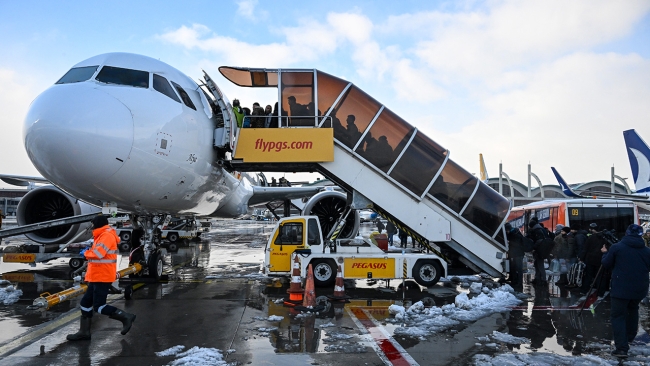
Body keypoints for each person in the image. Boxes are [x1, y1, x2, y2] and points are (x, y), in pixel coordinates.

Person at [67, 215, 136, 341]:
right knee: (85, 303)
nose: (92, 226)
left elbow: (98, 254)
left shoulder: (106, 236)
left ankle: (126, 317)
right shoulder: (101, 235)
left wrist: (86, 253)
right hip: (96, 276)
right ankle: (84, 332)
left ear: (97, 224)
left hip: (102, 276)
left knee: (99, 306)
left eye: (93, 224)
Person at [601, 224, 650, 358]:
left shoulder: (617, 248)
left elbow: (606, 264)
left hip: (620, 288)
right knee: (633, 311)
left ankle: (621, 348)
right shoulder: (646, 251)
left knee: (618, 316)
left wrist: (605, 253)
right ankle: (629, 338)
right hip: (639, 288)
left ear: (627, 233)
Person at [579, 223, 610, 295]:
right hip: (600, 259)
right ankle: (600, 292)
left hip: (590, 259)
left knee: (588, 276)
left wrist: (581, 258)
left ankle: (584, 290)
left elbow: (585, 248)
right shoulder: (606, 238)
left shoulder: (591, 237)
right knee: (600, 276)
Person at [528, 217, 553, 285]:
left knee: (540, 265)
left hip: (540, 250)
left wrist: (533, 248)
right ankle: (538, 278)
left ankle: (543, 280)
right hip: (543, 249)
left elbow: (539, 241)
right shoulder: (541, 229)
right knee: (537, 264)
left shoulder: (537, 230)